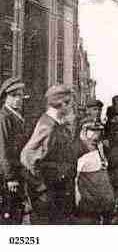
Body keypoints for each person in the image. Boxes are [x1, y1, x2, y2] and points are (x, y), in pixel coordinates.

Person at [20, 85, 79, 224]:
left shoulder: (58, 124)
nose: (72, 107)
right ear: (61, 104)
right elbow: (26, 157)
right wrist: (40, 187)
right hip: (49, 194)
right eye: (70, 103)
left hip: (59, 191)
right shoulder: (48, 126)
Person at [0, 77, 30, 224]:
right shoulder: (4, 117)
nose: (18, 99)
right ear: (6, 97)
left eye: (20, 95)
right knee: (9, 214)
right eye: (14, 95)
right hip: (10, 176)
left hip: (18, 172)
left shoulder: (16, 116)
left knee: (17, 212)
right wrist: (10, 177)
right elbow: (3, 149)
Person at [75, 122, 115, 224]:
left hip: (102, 198)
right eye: (92, 133)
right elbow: (76, 177)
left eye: (98, 133)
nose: (95, 137)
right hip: (87, 199)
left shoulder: (101, 148)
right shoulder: (79, 150)